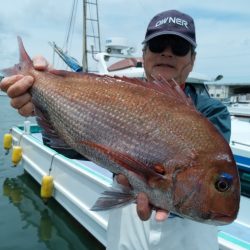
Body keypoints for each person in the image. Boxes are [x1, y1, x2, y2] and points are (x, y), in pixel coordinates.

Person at [1, 9, 230, 250]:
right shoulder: (115, 94)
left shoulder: (212, 112)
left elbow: (205, 171)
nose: (167, 52)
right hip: (129, 220)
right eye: (158, 45)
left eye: (179, 48)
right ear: (144, 54)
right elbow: (69, 148)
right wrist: (39, 103)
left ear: (192, 59)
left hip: (190, 235)